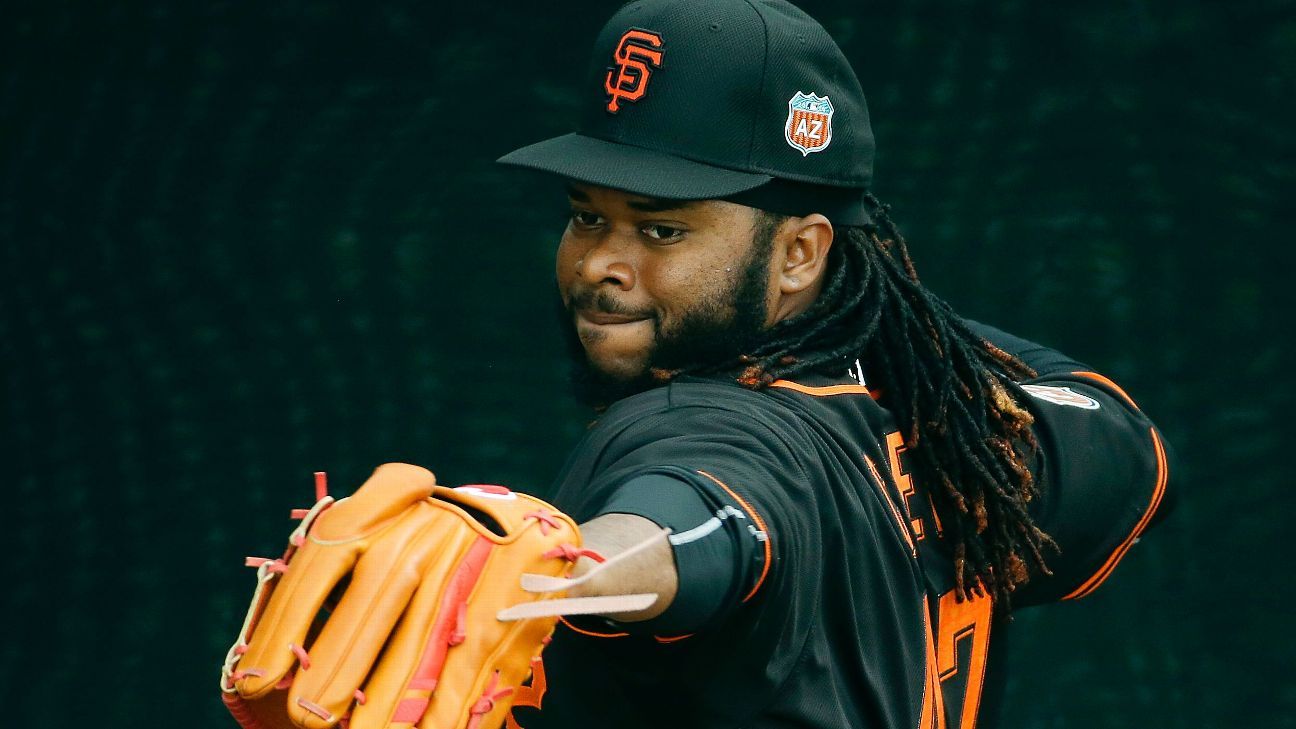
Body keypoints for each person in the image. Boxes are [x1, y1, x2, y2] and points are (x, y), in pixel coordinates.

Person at [494, 1, 1173, 727]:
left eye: (661, 228)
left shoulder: (702, 423)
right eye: (587, 215)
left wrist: (531, 574)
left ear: (799, 255)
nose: (600, 262)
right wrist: (875, 326)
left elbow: (696, 525)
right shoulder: (945, 409)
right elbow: (1126, 446)